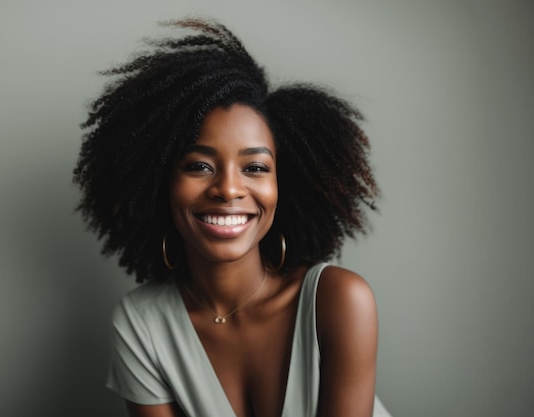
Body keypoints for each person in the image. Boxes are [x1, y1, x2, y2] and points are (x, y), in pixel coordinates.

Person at [73, 18, 389, 417]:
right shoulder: (142, 323)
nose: (228, 189)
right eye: (199, 166)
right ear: (159, 183)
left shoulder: (339, 300)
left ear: (282, 187)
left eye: (255, 168)